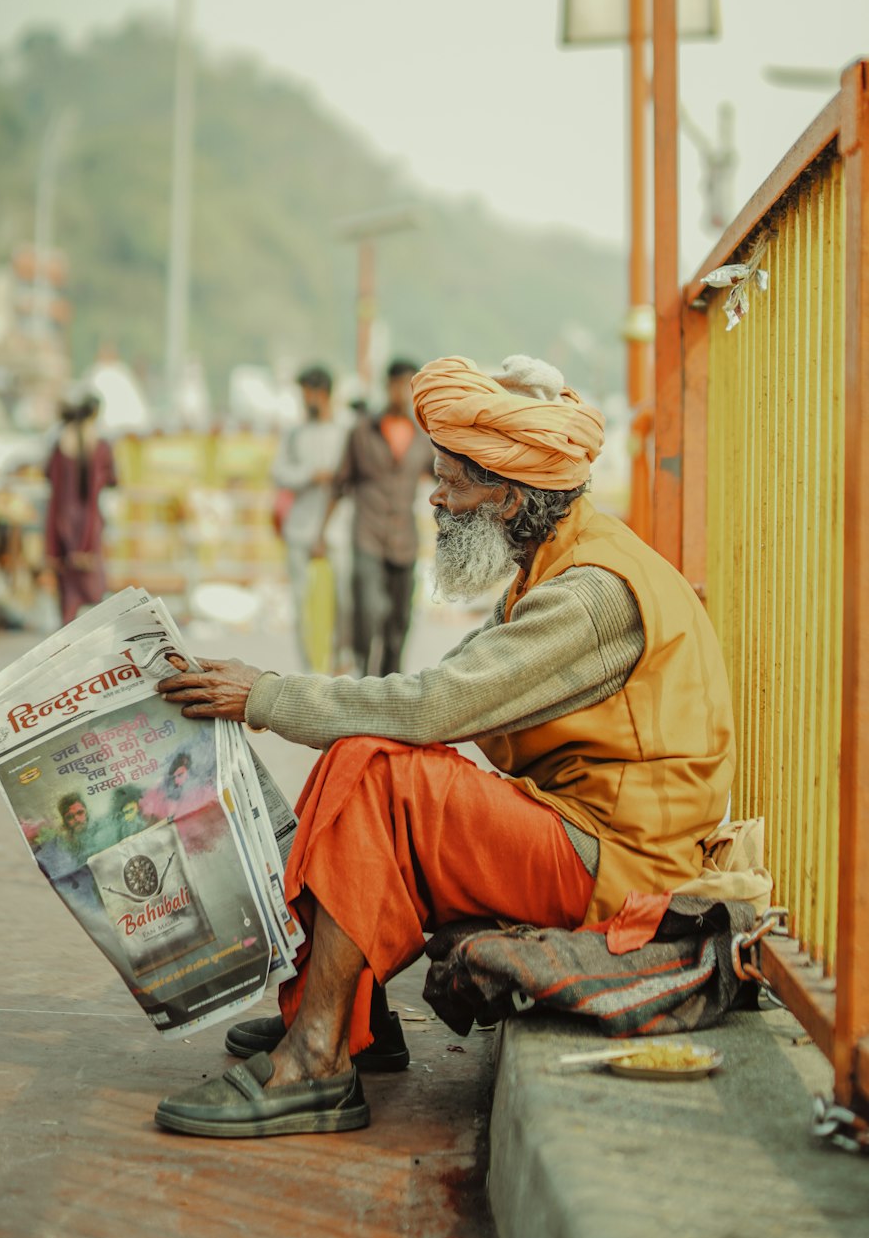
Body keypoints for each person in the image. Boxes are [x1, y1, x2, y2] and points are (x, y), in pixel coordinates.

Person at [151, 352, 735, 1141]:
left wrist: (265, 696)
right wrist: (282, 698)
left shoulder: (592, 594)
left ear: (509, 492)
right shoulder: (554, 569)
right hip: (576, 830)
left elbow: (432, 707)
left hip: (622, 866)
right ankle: (353, 1019)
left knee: (379, 770)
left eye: (454, 480)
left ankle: (317, 1059)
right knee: (367, 754)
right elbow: (437, 688)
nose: (437, 496)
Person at [313, 357, 434, 677]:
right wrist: (320, 534)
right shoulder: (362, 433)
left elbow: (445, 480)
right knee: (367, 613)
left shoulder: (423, 439)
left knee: (400, 620)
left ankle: (392, 682)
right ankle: (363, 678)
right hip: (367, 535)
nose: (402, 394)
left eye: (410, 388)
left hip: (404, 540)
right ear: (387, 386)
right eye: (398, 386)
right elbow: (339, 486)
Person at [270, 365, 349, 671]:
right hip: (301, 531)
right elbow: (278, 473)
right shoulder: (294, 434)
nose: (305, 402)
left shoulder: (344, 433)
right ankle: (308, 668)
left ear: (322, 394)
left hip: (337, 532)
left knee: (343, 602)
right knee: (302, 603)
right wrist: (308, 476)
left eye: (308, 395)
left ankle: (339, 660)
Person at [43, 390, 117, 626]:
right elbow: (113, 478)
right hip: (89, 523)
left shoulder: (61, 445)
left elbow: (48, 475)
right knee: (93, 586)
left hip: (62, 520)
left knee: (68, 588)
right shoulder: (100, 445)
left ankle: (67, 631)